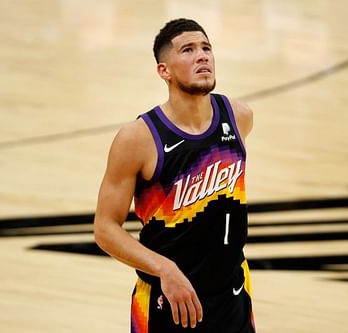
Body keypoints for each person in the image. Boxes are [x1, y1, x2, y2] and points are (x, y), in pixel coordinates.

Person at [94, 18, 255, 333]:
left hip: (232, 295)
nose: (202, 56)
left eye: (206, 47)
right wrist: (164, 269)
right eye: (188, 50)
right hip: (166, 300)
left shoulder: (239, 117)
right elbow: (105, 229)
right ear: (164, 70)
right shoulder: (138, 139)